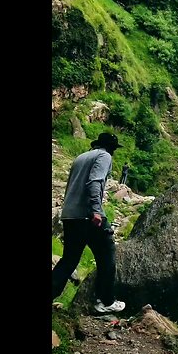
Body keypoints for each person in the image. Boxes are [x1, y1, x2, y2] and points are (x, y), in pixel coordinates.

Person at [53, 131, 126, 313]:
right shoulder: (104, 156)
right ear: (111, 148)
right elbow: (95, 182)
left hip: (70, 215)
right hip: (88, 215)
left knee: (69, 261)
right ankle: (106, 301)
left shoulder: (81, 157)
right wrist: (96, 210)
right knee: (107, 253)